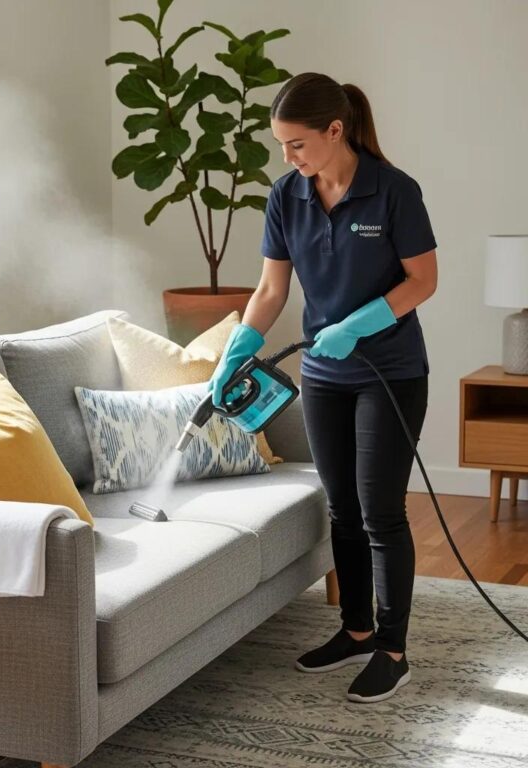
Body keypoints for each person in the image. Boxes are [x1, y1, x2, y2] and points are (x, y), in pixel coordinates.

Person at [208, 72, 438, 704]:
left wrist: (361, 322)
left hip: (390, 374)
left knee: (381, 511)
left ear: (335, 131)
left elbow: (422, 281)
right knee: (341, 508)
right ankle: (357, 630)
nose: (288, 158)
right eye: (282, 146)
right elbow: (272, 289)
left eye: (297, 145)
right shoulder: (287, 196)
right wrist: (240, 344)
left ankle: (393, 650)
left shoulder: (394, 192)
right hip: (324, 376)